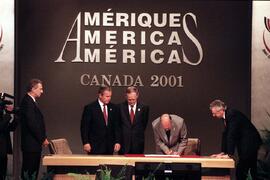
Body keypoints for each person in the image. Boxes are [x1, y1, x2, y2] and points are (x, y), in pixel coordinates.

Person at [209, 99, 262, 180]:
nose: (213, 115)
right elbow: (225, 134)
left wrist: (229, 154)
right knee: (249, 170)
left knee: (242, 170)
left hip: (250, 143)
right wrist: (223, 153)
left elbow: (231, 135)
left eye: (214, 113)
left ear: (220, 110)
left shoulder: (232, 114)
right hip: (246, 144)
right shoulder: (226, 116)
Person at [20, 79, 49, 180]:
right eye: (40, 89)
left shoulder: (31, 101)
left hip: (33, 145)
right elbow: (32, 124)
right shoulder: (28, 102)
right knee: (29, 173)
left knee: (33, 172)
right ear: (33, 89)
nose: (42, 91)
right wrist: (42, 138)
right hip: (30, 145)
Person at [80, 85, 121, 154]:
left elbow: (117, 127)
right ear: (100, 95)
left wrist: (117, 141)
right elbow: (84, 127)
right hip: (94, 146)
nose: (109, 98)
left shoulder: (114, 108)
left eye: (110, 96)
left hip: (109, 146)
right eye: (107, 96)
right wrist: (86, 142)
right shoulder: (90, 108)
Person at [118, 86, 149, 154]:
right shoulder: (120, 107)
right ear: (126, 97)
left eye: (133, 99)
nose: (131, 101)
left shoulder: (144, 108)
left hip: (138, 143)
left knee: (138, 164)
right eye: (129, 99)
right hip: (124, 144)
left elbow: (144, 124)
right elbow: (118, 126)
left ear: (137, 96)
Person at [0, 104, 17, 180]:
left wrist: (16, 118)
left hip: (3, 150)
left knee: (3, 172)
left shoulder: (3, 116)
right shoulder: (5, 116)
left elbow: (10, 128)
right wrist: (8, 114)